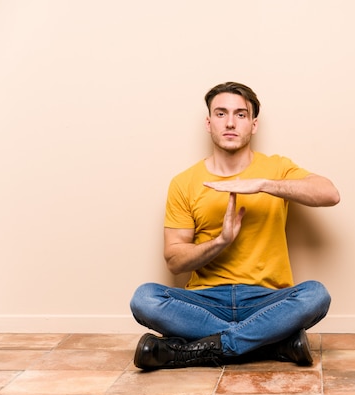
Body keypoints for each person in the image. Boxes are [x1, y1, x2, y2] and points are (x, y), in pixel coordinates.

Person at [130, 82, 340, 370]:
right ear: (209, 122)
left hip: (267, 300)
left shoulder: (276, 168)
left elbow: (329, 193)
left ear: (253, 125)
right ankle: (271, 343)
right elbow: (175, 261)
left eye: (240, 115)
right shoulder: (184, 182)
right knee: (145, 298)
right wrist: (221, 241)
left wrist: (264, 184)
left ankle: (200, 349)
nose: (230, 122)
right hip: (205, 301)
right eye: (221, 113)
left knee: (316, 295)